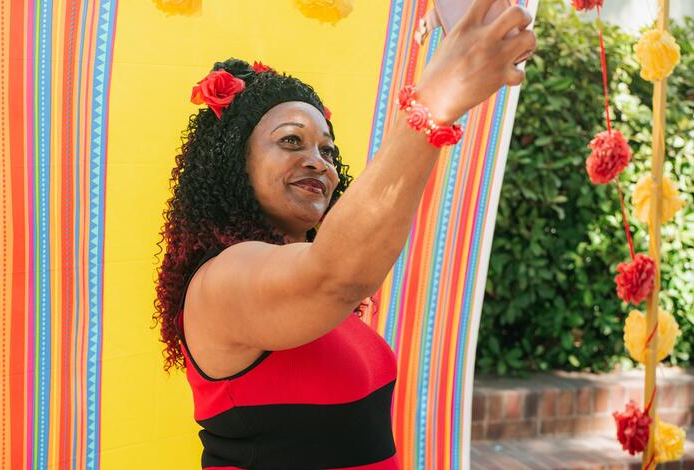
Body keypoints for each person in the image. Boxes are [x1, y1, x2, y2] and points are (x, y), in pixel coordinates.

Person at [154, 1, 536, 468]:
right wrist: (435, 101)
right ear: (234, 162)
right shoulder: (220, 279)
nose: (319, 162)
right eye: (291, 140)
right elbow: (334, 275)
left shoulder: (297, 280)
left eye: (328, 151)